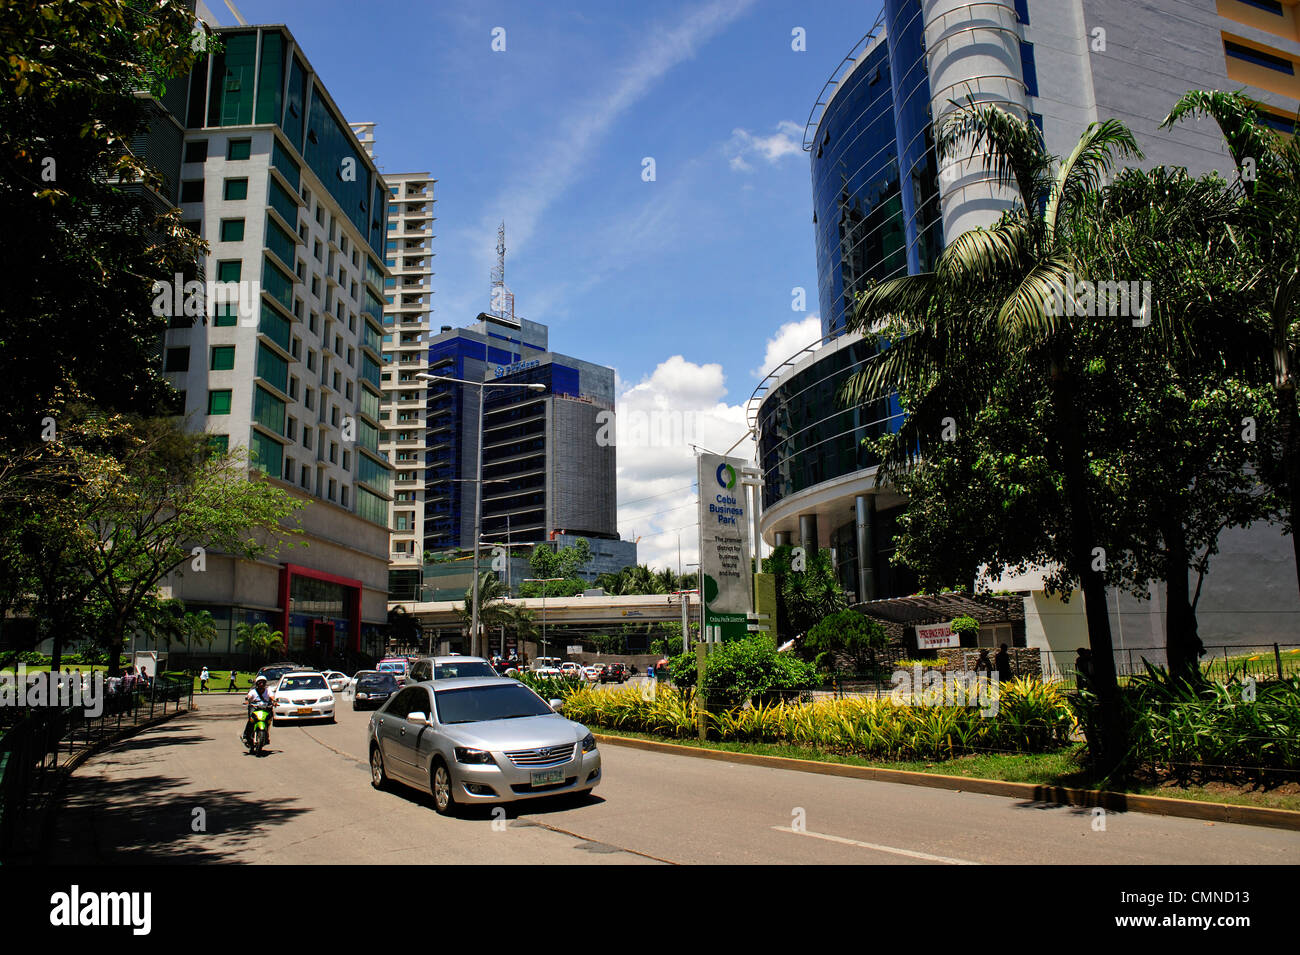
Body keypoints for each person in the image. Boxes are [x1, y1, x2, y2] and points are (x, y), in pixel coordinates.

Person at [243, 675, 274, 747]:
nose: (261, 684)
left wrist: (274, 701)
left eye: (263, 683)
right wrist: (248, 700)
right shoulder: (253, 691)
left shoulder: (268, 690)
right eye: (260, 683)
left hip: (265, 708)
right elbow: (249, 696)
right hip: (254, 707)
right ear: (257, 684)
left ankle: (266, 735)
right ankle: (246, 735)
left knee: (268, 719)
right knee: (251, 719)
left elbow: (272, 696)